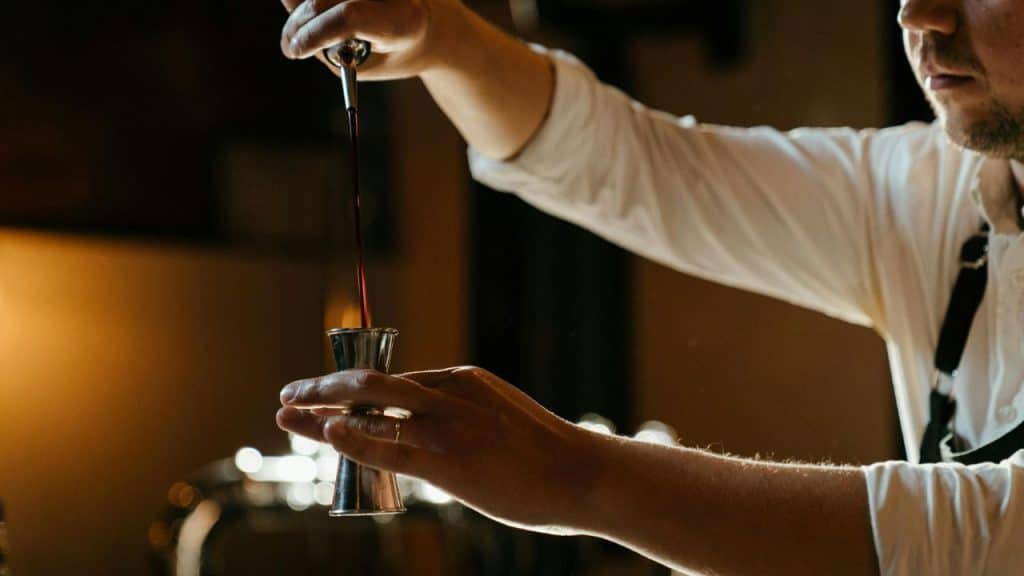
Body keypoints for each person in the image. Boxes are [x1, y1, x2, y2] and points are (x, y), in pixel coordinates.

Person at [274, 0, 1024, 573]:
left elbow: (985, 535)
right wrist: (442, 37)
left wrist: (578, 476)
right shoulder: (939, 191)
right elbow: (644, 168)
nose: (918, 13)